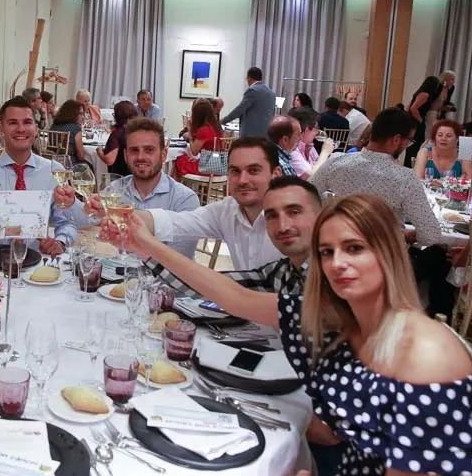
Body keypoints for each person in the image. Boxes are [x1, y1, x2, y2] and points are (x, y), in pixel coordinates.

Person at [281, 195, 472, 476]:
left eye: (354, 248)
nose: (337, 263)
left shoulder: (427, 353)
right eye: (326, 252)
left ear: (388, 253)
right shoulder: (349, 332)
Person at [116, 175, 320, 328]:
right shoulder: (283, 271)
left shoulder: (329, 277)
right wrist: (144, 249)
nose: (283, 226)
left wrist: (149, 244)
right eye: (272, 216)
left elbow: (238, 298)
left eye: (294, 212)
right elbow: (212, 287)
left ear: (321, 216)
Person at [109, 137, 285, 272]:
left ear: (276, 175)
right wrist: (119, 215)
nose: (242, 180)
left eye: (253, 170)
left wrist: (146, 245)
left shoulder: (290, 222)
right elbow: (176, 221)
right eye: (235, 171)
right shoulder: (227, 211)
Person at [0, 96, 77, 256]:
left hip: (33, 259)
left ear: (36, 128)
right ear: (1, 129)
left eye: (27, 122)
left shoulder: (53, 171)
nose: (21, 129)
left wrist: (60, 242)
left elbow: (67, 221)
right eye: (13, 123)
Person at [310, 107, 441, 246]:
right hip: (384, 252)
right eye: (408, 141)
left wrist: (329, 210)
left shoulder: (336, 161)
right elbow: (431, 235)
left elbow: (307, 195)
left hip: (342, 246)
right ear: (397, 139)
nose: (406, 146)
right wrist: (406, 236)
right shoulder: (405, 178)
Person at [95, 117, 200, 267]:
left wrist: (138, 248)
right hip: (117, 276)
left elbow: (181, 262)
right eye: (134, 150)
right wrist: (72, 202)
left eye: (149, 150)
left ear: (164, 154)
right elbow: (88, 219)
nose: (140, 157)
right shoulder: (114, 190)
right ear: (125, 156)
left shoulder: (184, 199)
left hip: (165, 280)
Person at [172, 98, 223, 180]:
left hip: (207, 168)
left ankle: (176, 187)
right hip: (218, 166)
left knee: (178, 160)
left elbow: (194, 151)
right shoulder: (215, 126)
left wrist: (190, 130)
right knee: (184, 160)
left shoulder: (204, 130)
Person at [220, 67, 277, 137]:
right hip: (266, 133)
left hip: (251, 133)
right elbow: (272, 113)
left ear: (249, 78)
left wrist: (224, 120)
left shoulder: (252, 90)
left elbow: (240, 109)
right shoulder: (271, 93)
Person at [406, 75, 444, 168]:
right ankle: (411, 165)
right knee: (416, 144)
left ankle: (410, 164)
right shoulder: (425, 95)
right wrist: (421, 121)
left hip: (413, 121)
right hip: (417, 122)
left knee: (413, 144)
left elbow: (408, 107)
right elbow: (413, 108)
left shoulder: (420, 93)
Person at [287, 107, 336, 179]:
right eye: (316, 128)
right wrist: (325, 152)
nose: (317, 132)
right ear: (306, 130)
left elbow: (319, 165)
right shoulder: (292, 150)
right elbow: (311, 176)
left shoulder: (309, 146)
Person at [97, 100, 138, 177]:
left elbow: (109, 160)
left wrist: (100, 152)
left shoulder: (118, 134)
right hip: (136, 174)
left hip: (120, 176)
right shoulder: (138, 130)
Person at [49, 99, 87, 166]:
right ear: (73, 114)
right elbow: (81, 156)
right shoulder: (75, 128)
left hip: (52, 163)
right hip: (69, 164)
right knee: (90, 166)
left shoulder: (54, 125)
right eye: (81, 114)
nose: (83, 117)